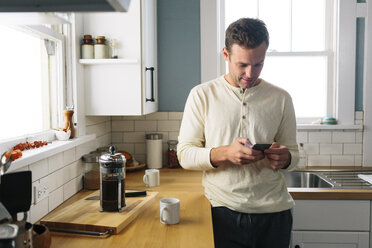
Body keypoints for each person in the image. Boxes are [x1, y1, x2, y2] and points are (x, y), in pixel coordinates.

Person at [177, 18, 299, 248]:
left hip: (275, 213)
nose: (250, 73)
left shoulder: (281, 98)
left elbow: (293, 154)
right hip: (222, 213)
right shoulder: (202, 95)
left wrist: (286, 158)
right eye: (242, 65)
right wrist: (224, 153)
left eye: (258, 64)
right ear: (226, 54)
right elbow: (184, 154)